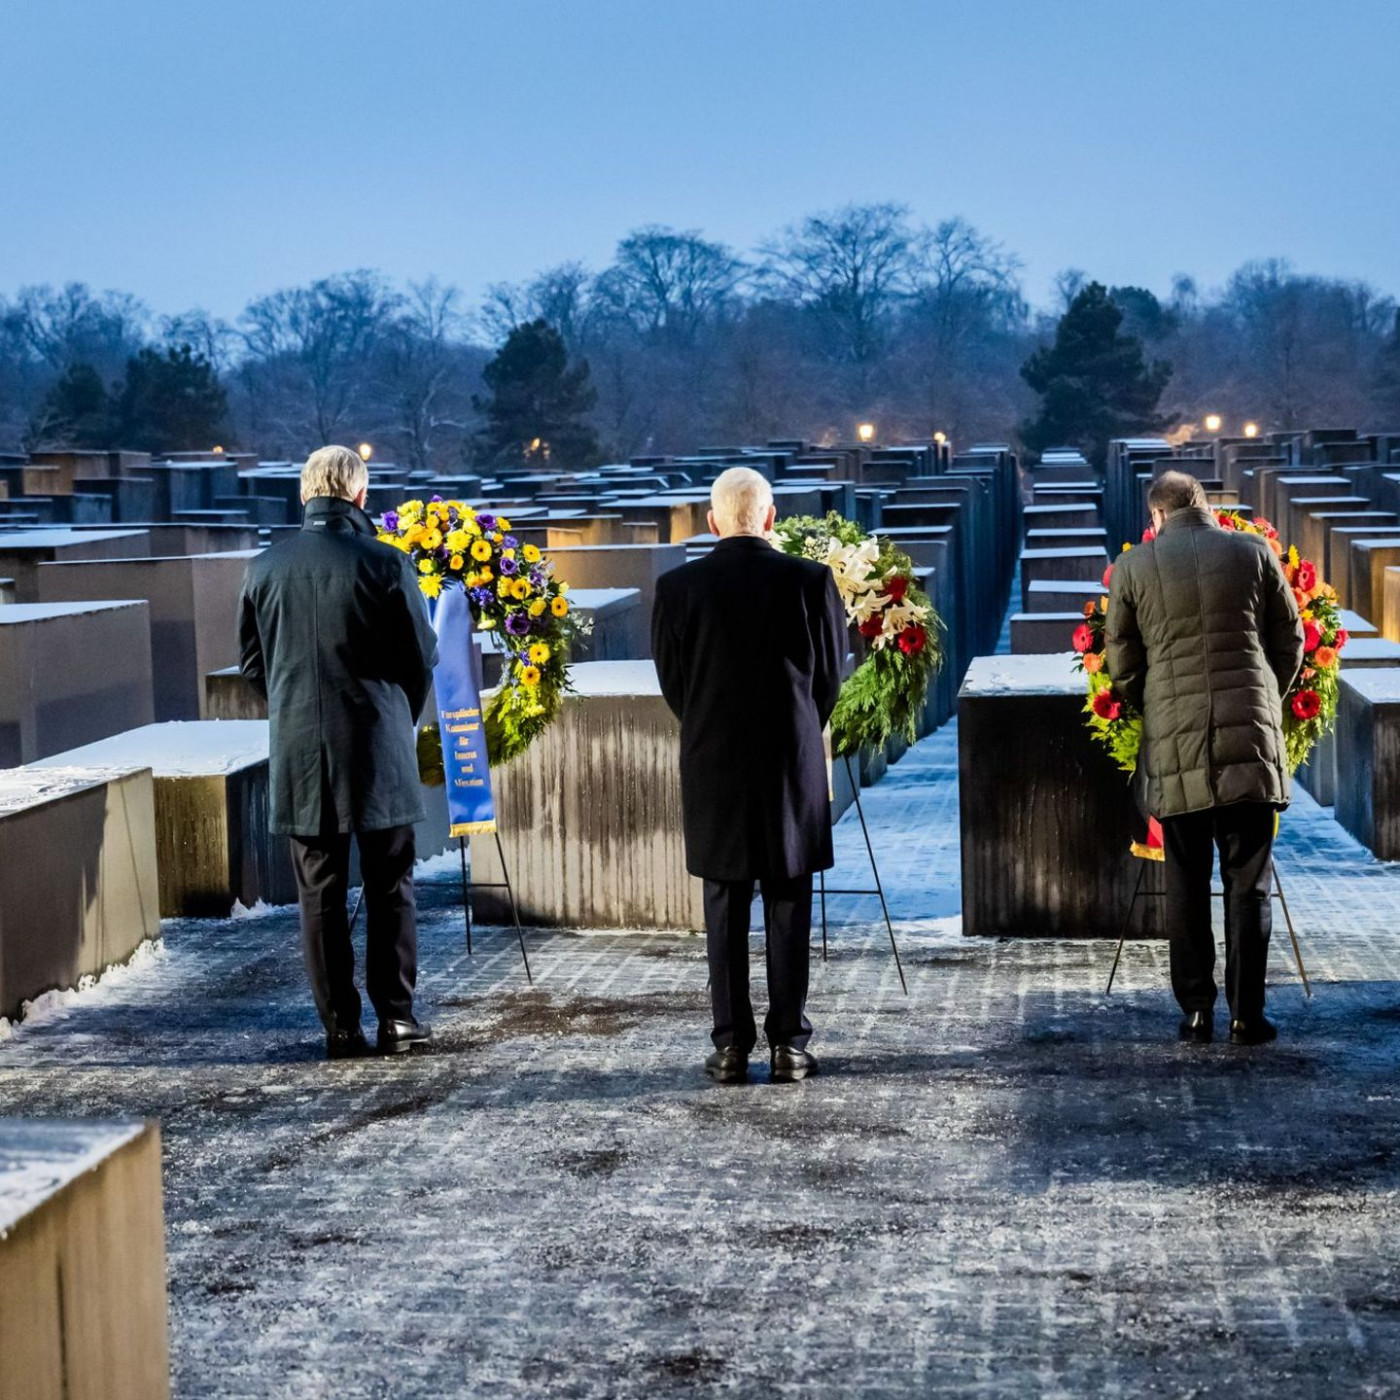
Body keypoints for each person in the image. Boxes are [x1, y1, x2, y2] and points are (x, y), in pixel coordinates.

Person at [239, 445, 439, 1060]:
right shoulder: (386, 563)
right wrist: (395, 716)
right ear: (359, 496)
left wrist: (296, 708)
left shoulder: (263, 569)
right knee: (390, 886)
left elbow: (253, 667)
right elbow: (419, 658)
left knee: (319, 893)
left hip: (301, 753)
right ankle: (396, 1019)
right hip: (378, 746)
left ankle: (340, 1027)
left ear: (304, 495)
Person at [652, 466, 847, 1084]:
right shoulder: (810, 581)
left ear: (712, 522)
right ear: (770, 517)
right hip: (789, 761)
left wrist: (711, 725)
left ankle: (731, 1046)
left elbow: (675, 684)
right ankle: (789, 1044)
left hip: (714, 761)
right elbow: (828, 680)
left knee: (724, 902)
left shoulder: (678, 588)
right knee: (789, 899)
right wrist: (797, 728)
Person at [1107, 470, 1304, 1045]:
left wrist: (1157, 707)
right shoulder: (1253, 551)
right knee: (1249, 883)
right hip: (1250, 742)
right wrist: (1263, 696)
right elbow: (1289, 639)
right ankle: (1248, 1015)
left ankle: (1196, 1010)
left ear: (1157, 516)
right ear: (1204, 505)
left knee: (1187, 882)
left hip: (1176, 742)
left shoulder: (1134, 567)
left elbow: (1122, 663)